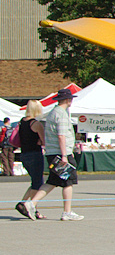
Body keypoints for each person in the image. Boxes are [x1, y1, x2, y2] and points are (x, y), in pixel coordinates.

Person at [22, 88, 83, 221]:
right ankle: (67, 211)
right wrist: (64, 155)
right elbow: (61, 136)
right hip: (61, 153)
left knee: (53, 181)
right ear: (67, 100)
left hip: (52, 152)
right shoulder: (60, 114)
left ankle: (31, 203)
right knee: (68, 181)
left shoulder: (52, 113)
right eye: (70, 98)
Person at [14, 101, 47, 219]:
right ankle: (32, 208)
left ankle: (23, 203)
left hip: (24, 154)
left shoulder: (22, 122)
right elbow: (44, 141)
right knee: (38, 183)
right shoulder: (36, 123)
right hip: (35, 154)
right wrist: (40, 141)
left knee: (35, 181)